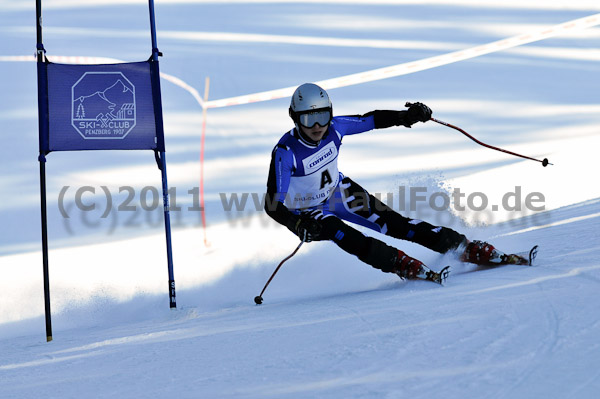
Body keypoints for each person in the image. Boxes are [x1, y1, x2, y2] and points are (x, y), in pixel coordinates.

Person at [264, 83, 503, 283]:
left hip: (339, 191)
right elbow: (272, 204)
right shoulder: (286, 152)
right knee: (345, 234)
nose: (317, 126)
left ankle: (463, 246)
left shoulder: (335, 128)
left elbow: (372, 119)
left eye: (322, 116)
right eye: (309, 119)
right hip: (308, 212)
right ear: (295, 118)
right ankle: (397, 263)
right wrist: (297, 224)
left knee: (396, 224)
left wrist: (405, 117)